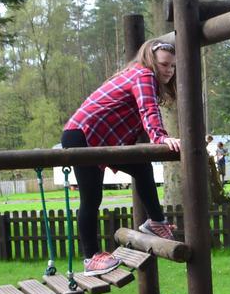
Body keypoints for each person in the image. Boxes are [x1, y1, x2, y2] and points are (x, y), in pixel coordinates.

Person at [62, 39, 183, 276]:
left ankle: (156, 221)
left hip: (99, 138)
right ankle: (91, 258)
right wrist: (160, 137)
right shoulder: (143, 74)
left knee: (141, 167)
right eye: (164, 64)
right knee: (91, 198)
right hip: (82, 135)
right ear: (150, 61)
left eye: (173, 66)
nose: (169, 70)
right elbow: (147, 108)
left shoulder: (140, 76)